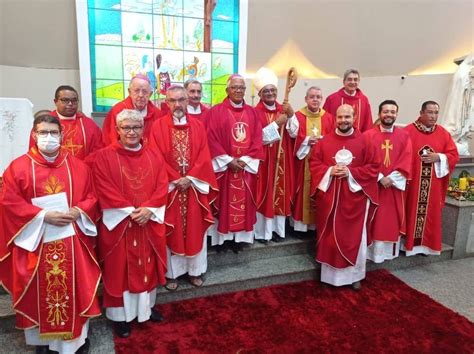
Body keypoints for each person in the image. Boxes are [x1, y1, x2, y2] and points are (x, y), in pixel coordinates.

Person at [0, 114, 101, 353]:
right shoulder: (18, 167)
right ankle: (42, 342)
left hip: (71, 241)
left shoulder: (78, 166)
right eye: (43, 132)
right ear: (34, 135)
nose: (48, 138)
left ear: (61, 135)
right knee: (37, 291)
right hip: (36, 243)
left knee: (74, 289)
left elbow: (92, 197)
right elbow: (8, 203)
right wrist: (43, 215)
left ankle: (74, 342)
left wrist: (79, 210)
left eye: (53, 133)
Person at [93, 109, 169, 338]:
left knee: (147, 265)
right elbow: (103, 186)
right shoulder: (104, 156)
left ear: (143, 128)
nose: (131, 132)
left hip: (147, 221)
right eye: (126, 127)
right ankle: (120, 317)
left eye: (136, 127)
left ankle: (146, 309)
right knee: (120, 270)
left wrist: (149, 209)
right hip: (120, 225)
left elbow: (162, 184)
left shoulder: (154, 155)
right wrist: (130, 212)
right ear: (117, 130)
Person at [149, 85, 217, 290]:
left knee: (195, 227)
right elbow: (155, 157)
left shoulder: (197, 126)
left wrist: (191, 178)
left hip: (194, 188)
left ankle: (195, 271)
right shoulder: (157, 127)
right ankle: (172, 274)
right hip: (171, 189)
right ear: (166, 103)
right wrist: (175, 178)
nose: (177, 104)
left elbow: (204, 155)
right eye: (172, 100)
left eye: (181, 100)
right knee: (172, 227)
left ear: (188, 101)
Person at [310, 104, 380, 290]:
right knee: (330, 236)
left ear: (354, 117)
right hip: (330, 198)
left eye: (347, 117)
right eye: (340, 117)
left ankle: (355, 276)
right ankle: (329, 277)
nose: (343, 121)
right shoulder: (324, 142)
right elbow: (314, 164)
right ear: (335, 119)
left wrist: (351, 173)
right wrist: (329, 170)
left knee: (354, 237)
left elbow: (374, 167)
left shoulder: (365, 141)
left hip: (355, 199)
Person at [205, 74, 264, 253]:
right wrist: (228, 160)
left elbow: (257, 139)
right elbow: (211, 138)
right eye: (234, 88)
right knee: (223, 203)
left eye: (241, 88)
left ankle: (239, 240)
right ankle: (222, 240)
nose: (238, 91)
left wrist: (244, 161)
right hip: (225, 168)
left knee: (244, 204)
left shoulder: (253, 112)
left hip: (245, 168)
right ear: (227, 90)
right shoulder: (215, 112)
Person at [403, 101, 459, 256]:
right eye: (430, 112)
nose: (433, 116)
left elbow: (454, 155)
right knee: (410, 211)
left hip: (433, 185)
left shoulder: (443, 133)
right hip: (413, 183)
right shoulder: (408, 131)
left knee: (430, 214)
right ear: (421, 113)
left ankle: (425, 246)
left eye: (436, 113)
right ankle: (407, 245)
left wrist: (440, 157)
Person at [364, 100, 412, 263]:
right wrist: (379, 177)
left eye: (392, 112)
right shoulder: (368, 135)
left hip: (393, 187)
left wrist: (391, 178)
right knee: (374, 219)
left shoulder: (404, 136)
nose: (389, 114)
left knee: (390, 220)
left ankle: (386, 253)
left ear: (396, 114)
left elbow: (407, 159)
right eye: (386, 111)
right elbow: (364, 161)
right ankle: (371, 254)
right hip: (374, 186)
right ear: (379, 114)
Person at [253, 67, 295, 243]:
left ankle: (278, 231)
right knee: (265, 193)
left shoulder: (284, 108)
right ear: (261, 94)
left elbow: (294, 133)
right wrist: (277, 124)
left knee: (280, 193)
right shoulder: (254, 112)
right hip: (265, 160)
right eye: (266, 91)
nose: (270, 93)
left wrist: (291, 116)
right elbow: (257, 138)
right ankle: (263, 233)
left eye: (273, 90)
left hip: (282, 159)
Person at [291, 87, 334, 232]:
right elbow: (292, 139)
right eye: (312, 97)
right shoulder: (297, 116)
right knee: (302, 191)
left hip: (321, 164)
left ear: (321, 99)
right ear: (306, 99)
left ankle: (315, 226)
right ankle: (300, 228)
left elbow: (333, 138)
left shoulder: (328, 117)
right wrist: (307, 140)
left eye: (318, 97)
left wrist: (323, 142)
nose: (315, 100)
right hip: (303, 162)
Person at [29, 85, 104, 165]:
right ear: (55, 101)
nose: (70, 104)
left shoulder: (88, 124)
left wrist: (82, 167)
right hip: (52, 169)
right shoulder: (44, 124)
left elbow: (98, 150)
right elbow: (34, 150)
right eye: (65, 100)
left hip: (83, 170)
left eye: (74, 100)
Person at [102, 74, 163, 146]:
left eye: (144, 91)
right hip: (124, 155)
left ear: (150, 94)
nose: (140, 95)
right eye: (137, 91)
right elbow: (111, 140)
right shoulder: (118, 111)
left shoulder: (157, 115)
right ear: (129, 92)